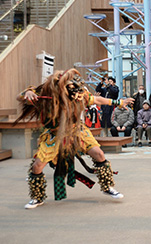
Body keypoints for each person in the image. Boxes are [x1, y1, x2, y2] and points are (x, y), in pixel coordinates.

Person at [16, 69, 133, 209]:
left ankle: (107, 186)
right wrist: (27, 93)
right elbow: (20, 97)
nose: (78, 94)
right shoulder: (44, 95)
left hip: (77, 130)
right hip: (54, 134)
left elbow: (96, 99)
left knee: (99, 154)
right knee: (37, 166)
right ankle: (37, 197)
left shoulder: (78, 95)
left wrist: (118, 102)